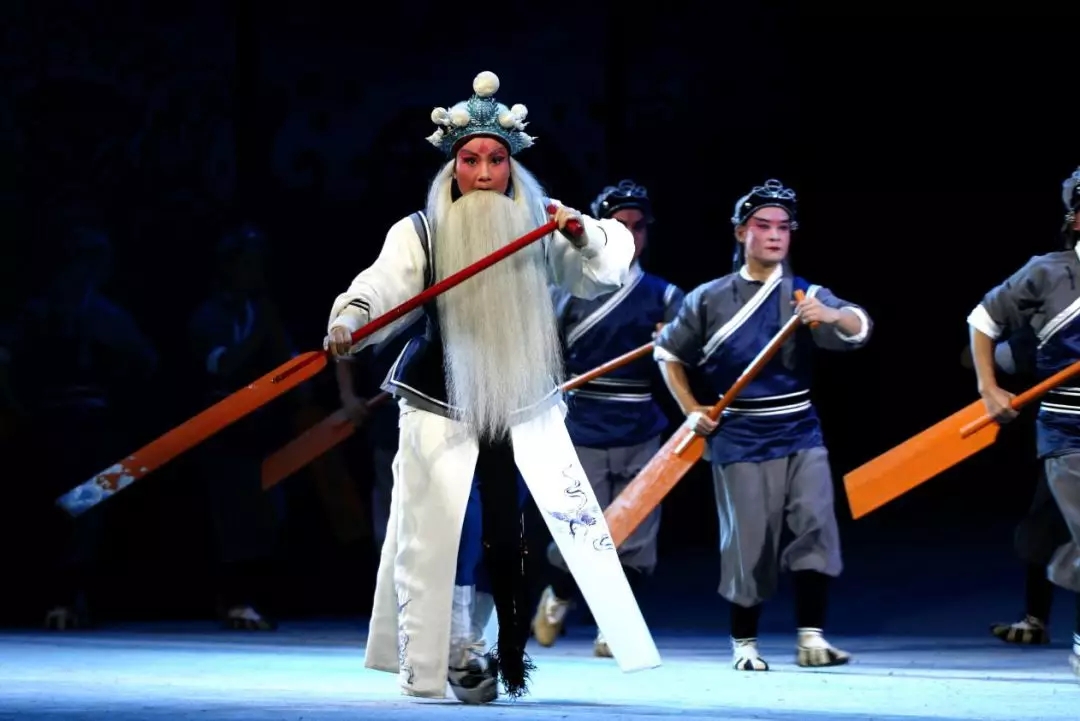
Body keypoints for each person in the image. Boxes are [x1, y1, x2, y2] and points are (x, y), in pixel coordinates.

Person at [324, 71, 660, 704]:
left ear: (512, 165)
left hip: (523, 401)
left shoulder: (543, 224)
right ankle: (452, 645)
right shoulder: (421, 230)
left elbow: (607, 265)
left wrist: (582, 232)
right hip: (440, 398)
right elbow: (382, 286)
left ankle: (475, 642)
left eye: (496, 160)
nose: (483, 173)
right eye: (471, 160)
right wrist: (351, 320)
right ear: (453, 165)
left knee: (510, 532)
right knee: (446, 524)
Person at [652, 179, 872, 671]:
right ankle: (744, 642)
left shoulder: (806, 294)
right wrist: (691, 408)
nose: (774, 235)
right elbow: (668, 353)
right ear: (740, 232)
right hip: (739, 436)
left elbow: (860, 327)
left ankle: (811, 637)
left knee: (816, 525)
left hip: (799, 430)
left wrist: (830, 314)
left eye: (783, 227)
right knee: (749, 542)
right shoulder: (708, 298)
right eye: (763, 226)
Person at [532, 179, 683, 657]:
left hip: (640, 423)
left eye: (639, 227)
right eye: (620, 226)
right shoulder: (566, 289)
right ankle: (559, 593)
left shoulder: (665, 296)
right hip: (582, 423)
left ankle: (614, 624)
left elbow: (690, 356)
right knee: (582, 530)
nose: (631, 237)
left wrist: (672, 343)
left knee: (635, 531)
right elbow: (542, 356)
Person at [967, 166, 1080, 680]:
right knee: (1052, 522)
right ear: (1076, 219)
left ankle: (1047, 597)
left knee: (1051, 525)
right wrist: (989, 388)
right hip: (1066, 429)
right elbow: (982, 321)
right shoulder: (1047, 273)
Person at [961, 329, 1077, 645]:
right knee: (1040, 531)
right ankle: (1035, 620)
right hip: (1068, 446)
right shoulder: (1059, 332)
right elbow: (973, 358)